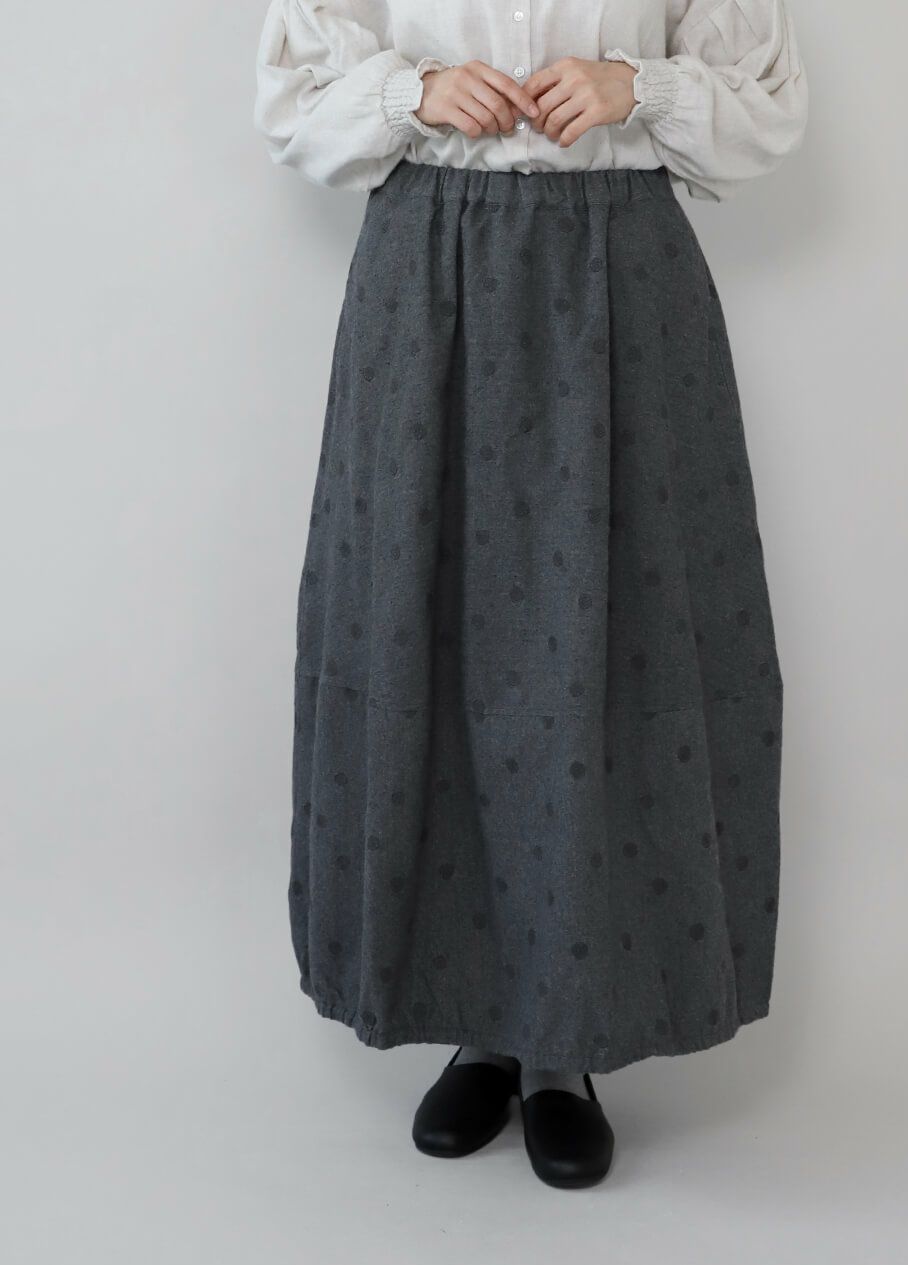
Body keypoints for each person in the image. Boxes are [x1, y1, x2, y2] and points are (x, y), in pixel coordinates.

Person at [253, 0, 807, 1190]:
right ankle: (479, 1029)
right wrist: (408, 94)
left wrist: (634, 88)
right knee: (425, 638)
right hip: (426, 270)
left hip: (621, 276)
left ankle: (563, 1048)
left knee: (610, 650)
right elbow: (290, 98)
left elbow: (766, 105)